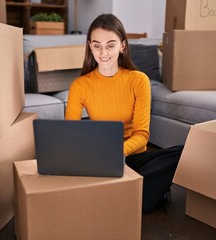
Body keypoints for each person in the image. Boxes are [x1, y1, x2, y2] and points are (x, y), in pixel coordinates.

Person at [65, 13, 183, 212]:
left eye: (110, 45)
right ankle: (139, 195)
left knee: (183, 153)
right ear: (90, 46)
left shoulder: (138, 80)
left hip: (133, 157)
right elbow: (71, 134)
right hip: (99, 158)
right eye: (97, 45)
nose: (103, 52)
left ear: (122, 46)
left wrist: (118, 152)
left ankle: (122, 197)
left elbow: (142, 135)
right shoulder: (80, 85)